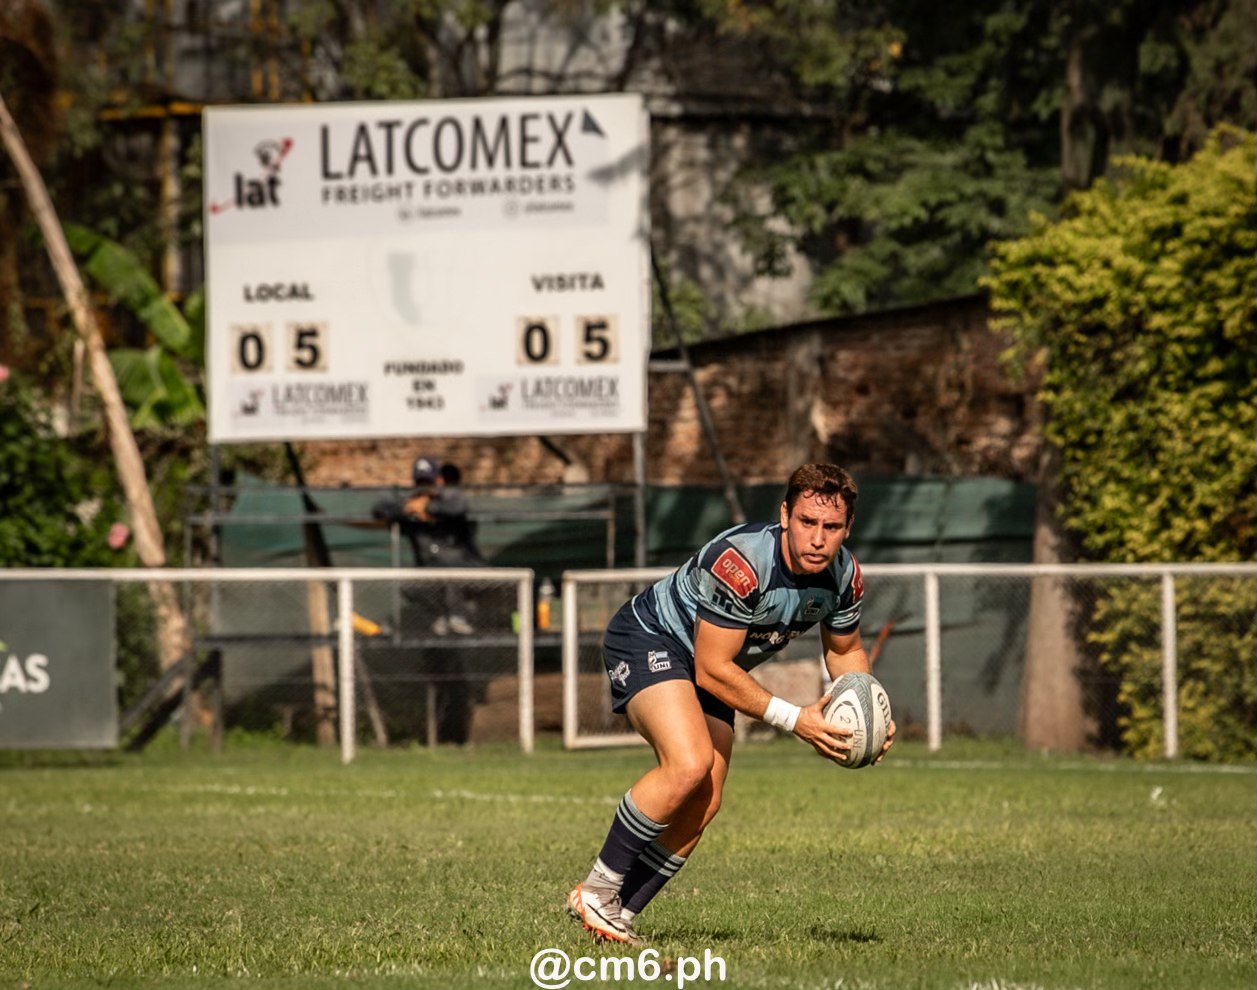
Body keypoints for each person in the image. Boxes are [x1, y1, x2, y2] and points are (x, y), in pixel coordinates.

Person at [565, 463, 895, 944]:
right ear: (785, 515)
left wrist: (871, 711)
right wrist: (796, 720)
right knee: (689, 763)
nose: (818, 538)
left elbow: (845, 653)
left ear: (848, 528)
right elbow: (711, 668)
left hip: (710, 663)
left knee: (706, 798)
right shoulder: (741, 564)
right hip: (651, 639)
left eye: (831, 526)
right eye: (807, 521)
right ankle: (596, 891)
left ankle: (617, 914)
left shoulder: (844, 577)